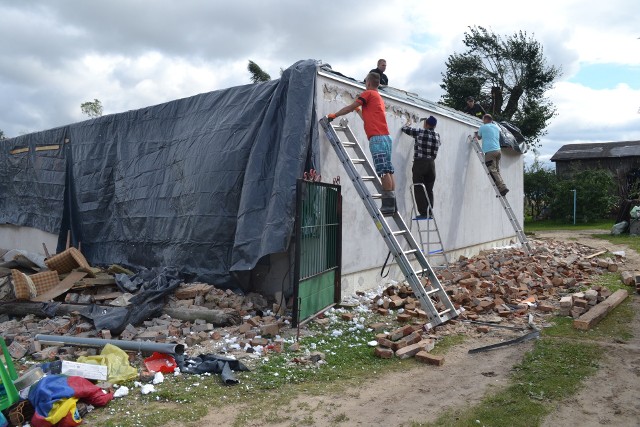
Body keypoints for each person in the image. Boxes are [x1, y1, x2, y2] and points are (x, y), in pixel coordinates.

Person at [328, 72, 396, 214]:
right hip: (385, 138)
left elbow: (349, 107)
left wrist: (335, 115)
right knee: (388, 170)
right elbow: (368, 119)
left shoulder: (368, 93)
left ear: (368, 83)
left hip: (377, 138)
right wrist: (359, 111)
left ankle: (388, 205)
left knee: (383, 172)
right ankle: (392, 203)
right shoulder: (378, 97)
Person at [401, 115, 441, 219]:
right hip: (431, 164)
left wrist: (408, 123)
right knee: (429, 189)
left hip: (420, 163)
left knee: (418, 186)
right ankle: (429, 212)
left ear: (426, 124)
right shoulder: (437, 135)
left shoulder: (420, 132)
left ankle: (423, 212)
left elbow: (404, 129)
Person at [476, 114, 509, 196]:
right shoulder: (496, 127)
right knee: (496, 170)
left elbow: (479, 137)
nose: (482, 121)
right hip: (498, 151)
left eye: (483, 119)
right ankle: (501, 187)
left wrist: (476, 134)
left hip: (490, 151)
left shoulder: (483, 127)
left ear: (486, 119)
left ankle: (502, 187)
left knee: (492, 170)